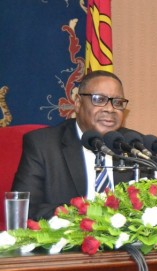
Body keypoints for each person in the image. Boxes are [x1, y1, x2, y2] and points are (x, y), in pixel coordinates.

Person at [12, 70, 149, 220]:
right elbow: (24, 209)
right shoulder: (43, 145)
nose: (110, 109)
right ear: (78, 103)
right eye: (99, 99)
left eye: (117, 102)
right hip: (69, 239)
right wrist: (88, 217)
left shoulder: (135, 145)